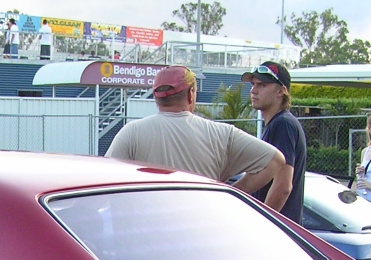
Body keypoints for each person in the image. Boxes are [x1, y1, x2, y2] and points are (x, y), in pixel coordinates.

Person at [106, 66, 285, 194]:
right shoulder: (222, 134)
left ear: (156, 97)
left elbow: (105, 180)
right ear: (191, 94)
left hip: (145, 238)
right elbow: (275, 161)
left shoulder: (131, 133)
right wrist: (227, 194)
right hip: (200, 234)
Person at [242, 61, 308, 223]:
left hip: (278, 233)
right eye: (253, 84)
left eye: (262, 85)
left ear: (281, 91)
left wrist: (262, 223)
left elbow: (283, 186)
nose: (253, 90)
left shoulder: (282, 125)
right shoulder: (277, 125)